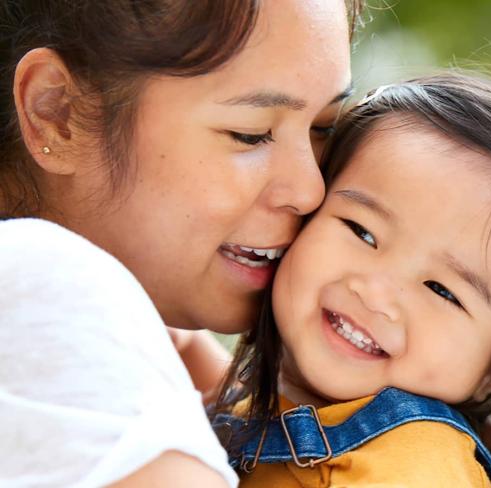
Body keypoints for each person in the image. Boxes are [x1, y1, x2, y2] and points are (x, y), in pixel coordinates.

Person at [0, 1, 361, 486]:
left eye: (323, 129)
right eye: (249, 134)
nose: (309, 190)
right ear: (58, 112)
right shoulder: (40, 277)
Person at [208, 74, 491, 487]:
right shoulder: (251, 403)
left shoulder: (420, 465)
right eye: (362, 231)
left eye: (442, 290)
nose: (376, 294)